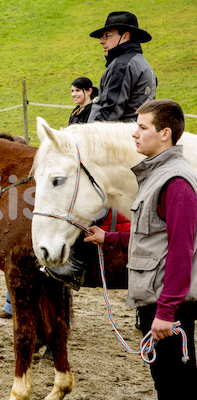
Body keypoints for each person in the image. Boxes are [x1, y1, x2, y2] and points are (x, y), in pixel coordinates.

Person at [84, 99, 197, 399]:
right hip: (158, 302)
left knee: (176, 386)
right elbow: (154, 233)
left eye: (143, 127)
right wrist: (108, 239)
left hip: (166, 306)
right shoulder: (156, 175)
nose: (134, 134)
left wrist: (167, 311)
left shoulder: (176, 181)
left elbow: (181, 249)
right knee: (167, 383)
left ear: (165, 134)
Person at [87, 11, 157, 122]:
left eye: (107, 35)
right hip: (137, 133)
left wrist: (89, 134)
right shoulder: (142, 62)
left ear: (125, 36)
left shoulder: (122, 65)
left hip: (118, 136)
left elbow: (109, 112)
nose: (101, 41)